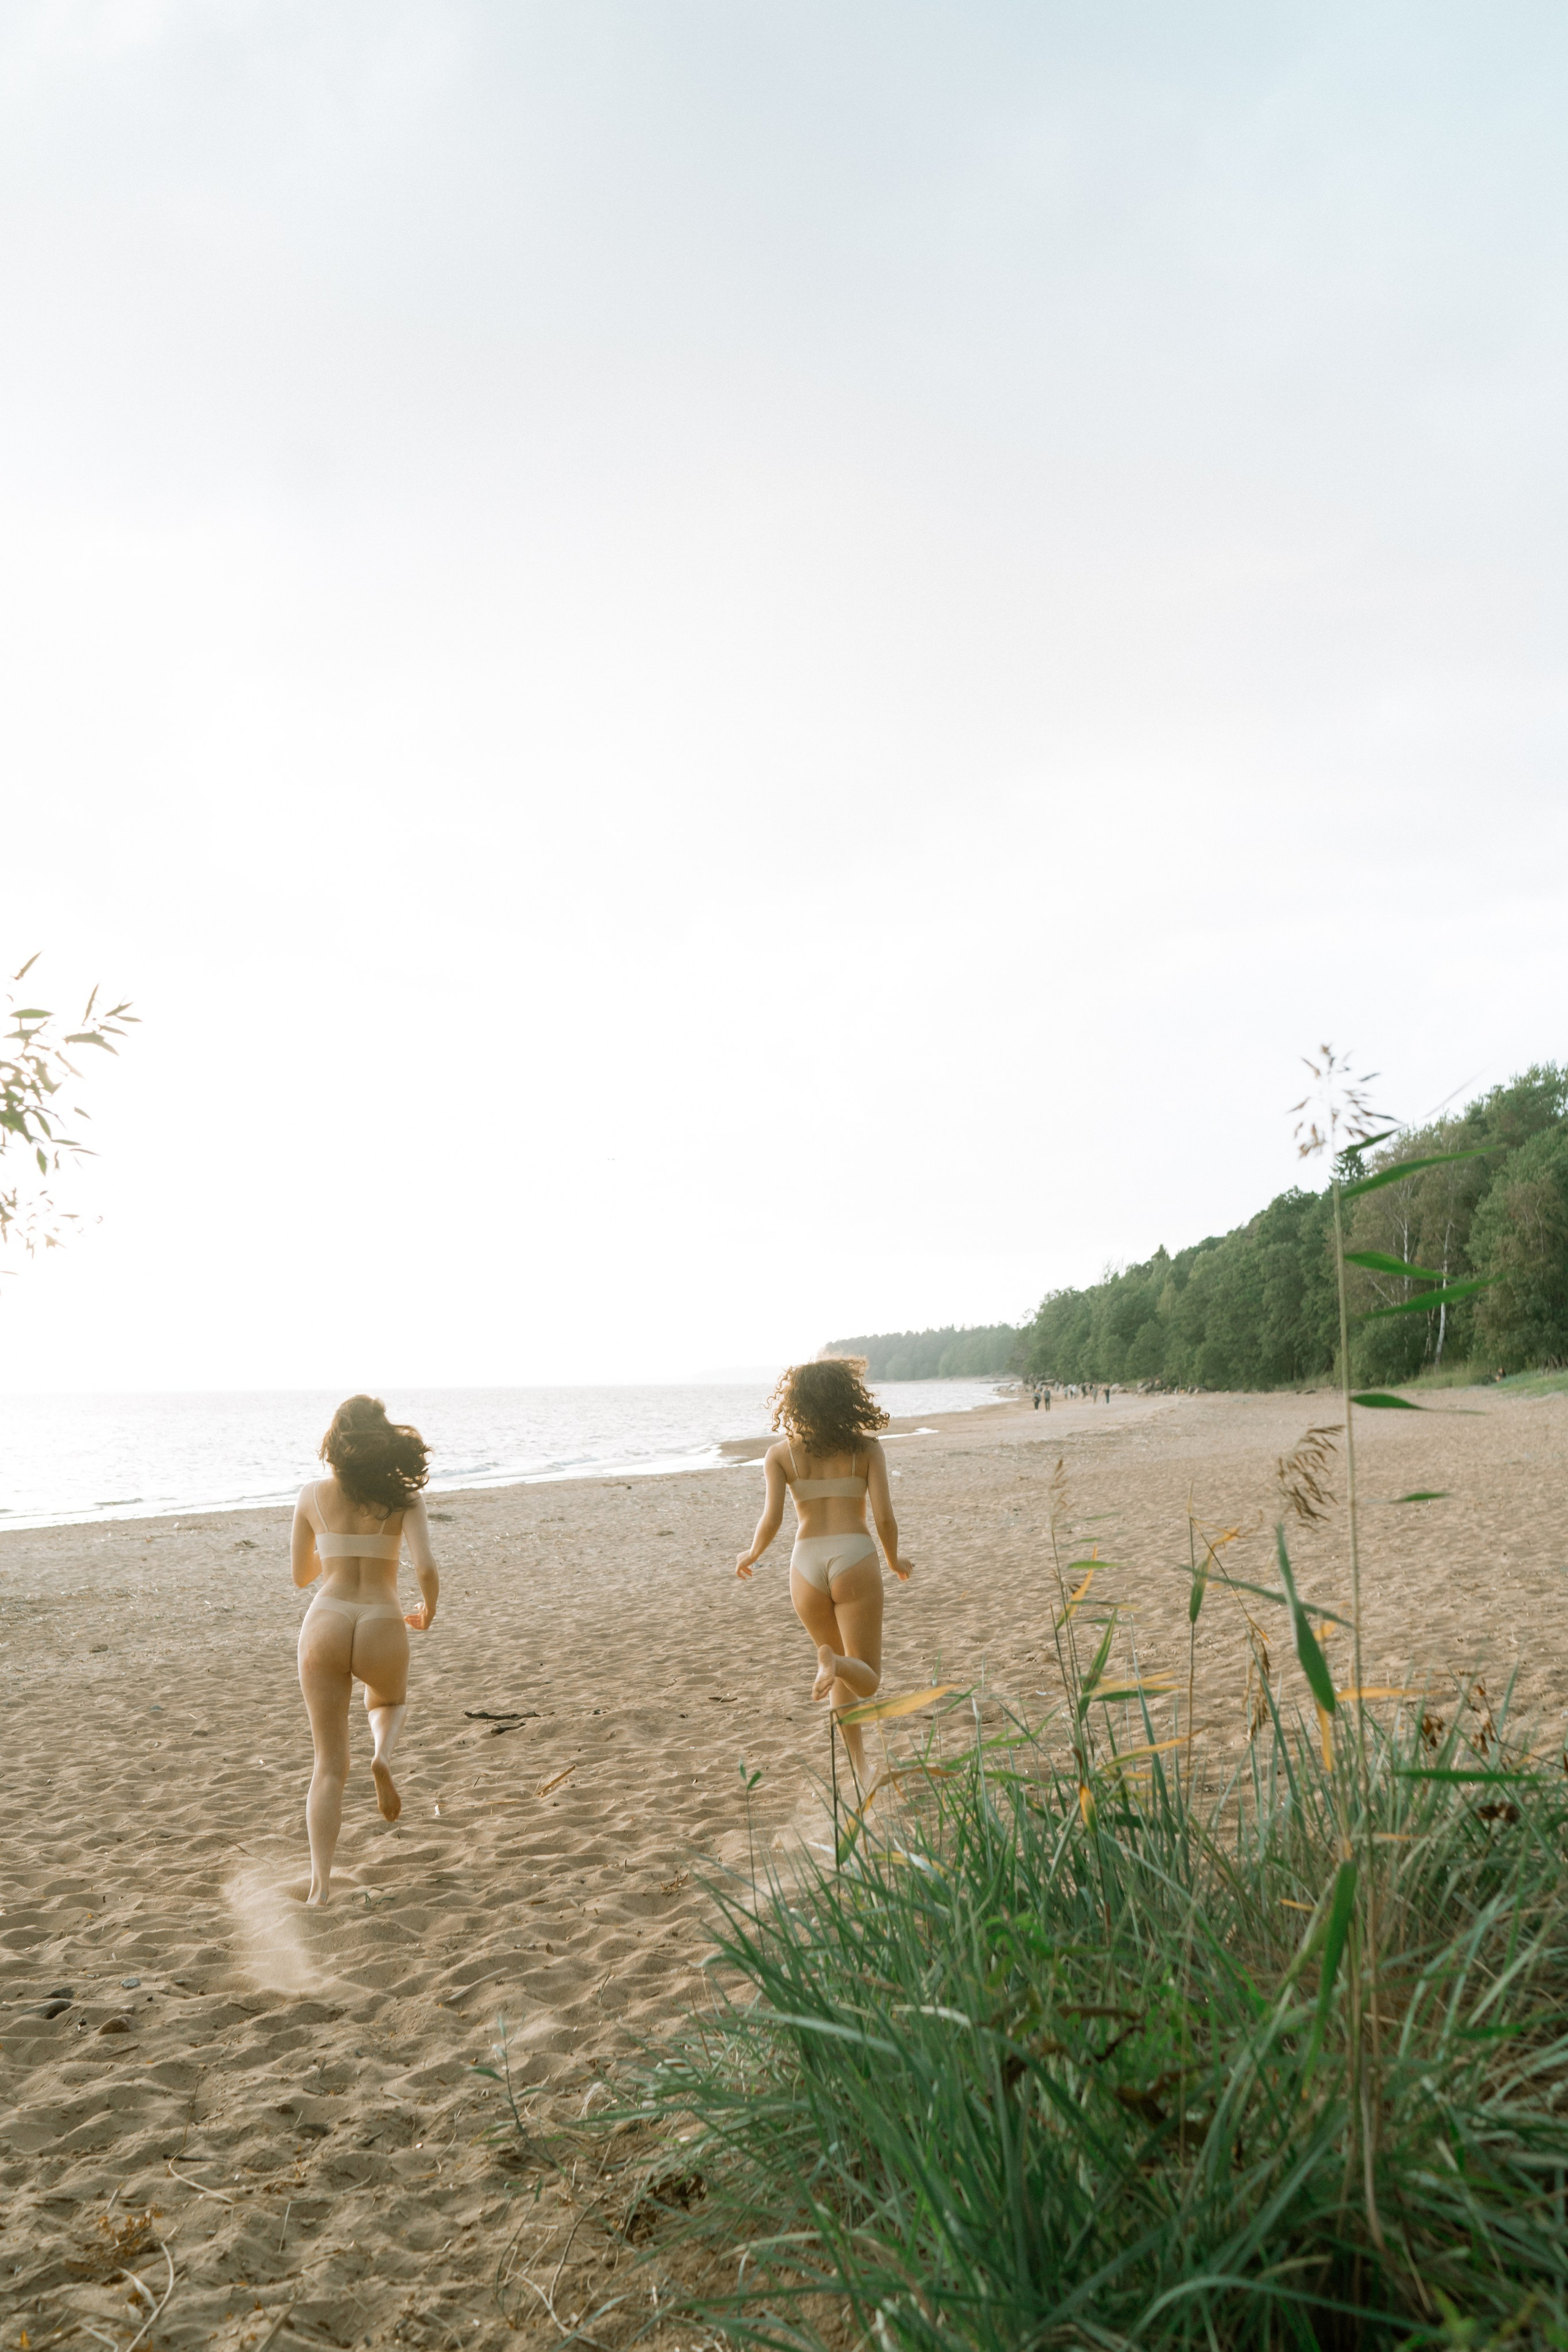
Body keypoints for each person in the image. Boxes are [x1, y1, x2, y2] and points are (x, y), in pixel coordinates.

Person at [735, 1357, 913, 1787]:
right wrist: (893, 1559)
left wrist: (752, 1553)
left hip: (805, 1566)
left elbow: (772, 1519)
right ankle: (832, 1663)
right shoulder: (866, 1449)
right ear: (847, 1397)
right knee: (865, 1677)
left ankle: (860, 1767)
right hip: (854, 1556)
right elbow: (884, 1518)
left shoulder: (781, 1454)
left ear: (795, 1401)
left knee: (839, 1674)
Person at [292, 1395, 440, 1905]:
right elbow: (425, 1569)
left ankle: (320, 1889)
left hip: (327, 1619)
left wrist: (331, 1547)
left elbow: (299, 1576)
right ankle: (382, 1755)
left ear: (337, 1444)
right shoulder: (404, 1501)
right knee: (388, 1701)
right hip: (380, 1616)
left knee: (328, 1766)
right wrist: (429, 1608)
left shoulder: (311, 1496)